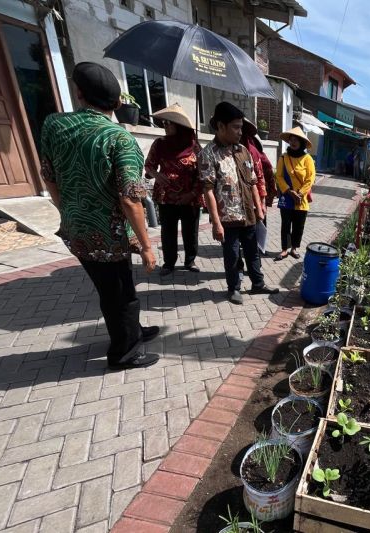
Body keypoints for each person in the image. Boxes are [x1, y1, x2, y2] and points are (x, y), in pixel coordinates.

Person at [40, 62, 159, 369]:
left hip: (76, 229)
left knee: (114, 287)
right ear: (118, 103)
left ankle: (133, 331)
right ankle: (124, 353)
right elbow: (131, 200)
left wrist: (65, 207)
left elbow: (48, 176)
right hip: (109, 234)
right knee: (119, 294)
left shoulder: (54, 125)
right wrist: (146, 245)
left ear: (79, 93)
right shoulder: (119, 139)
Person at [199, 102, 279, 304]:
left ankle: (258, 284)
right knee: (232, 256)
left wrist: (259, 207)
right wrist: (216, 223)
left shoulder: (243, 150)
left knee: (253, 252)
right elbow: (208, 190)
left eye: (241, 127)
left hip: (249, 213)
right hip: (228, 218)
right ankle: (233, 288)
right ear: (220, 126)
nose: (239, 131)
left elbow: (252, 181)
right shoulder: (208, 154)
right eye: (235, 127)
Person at [144, 103, 202, 277]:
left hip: (189, 197)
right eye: (164, 123)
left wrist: (192, 193)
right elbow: (148, 165)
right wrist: (155, 174)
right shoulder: (160, 144)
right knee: (168, 231)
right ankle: (169, 262)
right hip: (166, 196)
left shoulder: (194, 146)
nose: (165, 126)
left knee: (190, 231)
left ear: (180, 126)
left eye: (169, 123)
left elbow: (203, 173)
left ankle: (190, 260)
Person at [274, 126, 315, 261]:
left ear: (302, 142)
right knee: (285, 224)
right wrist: (288, 191)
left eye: (296, 139)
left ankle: (294, 248)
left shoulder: (307, 158)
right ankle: (284, 249)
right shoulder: (283, 157)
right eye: (291, 139)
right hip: (287, 197)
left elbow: (310, 178)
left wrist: (300, 193)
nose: (293, 142)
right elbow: (279, 176)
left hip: (301, 200)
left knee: (298, 226)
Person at [241, 119, 276, 254]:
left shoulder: (252, 152)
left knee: (258, 226)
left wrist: (262, 201)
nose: (238, 133)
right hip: (235, 203)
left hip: (254, 199)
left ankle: (258, 251)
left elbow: (261, 178)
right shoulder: (222, 151)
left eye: (240, 129)